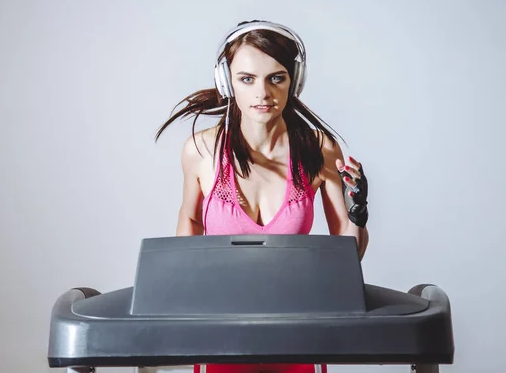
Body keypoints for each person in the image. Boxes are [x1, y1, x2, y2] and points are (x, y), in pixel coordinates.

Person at [155, 20, 370, 373]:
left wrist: (357, 215)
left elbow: (348, 256)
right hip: (220, 330)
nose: (262, 93)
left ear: (294, 81)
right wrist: (186, 306)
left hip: (298, 326)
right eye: (247, 79)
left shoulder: (319, 150)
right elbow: (190, 226)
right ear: (227, 82)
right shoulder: (201, 150)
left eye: (276, 77)